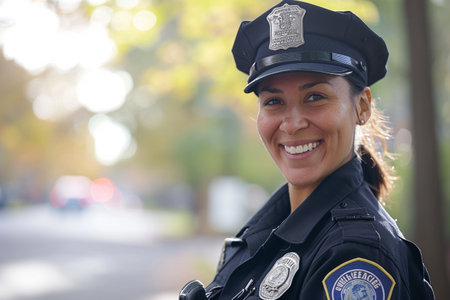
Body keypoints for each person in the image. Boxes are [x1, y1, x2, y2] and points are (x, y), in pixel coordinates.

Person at [179, 1, 435, 299]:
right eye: (274, 102)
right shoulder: (270, 228)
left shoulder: (355, 255)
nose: (292, 124)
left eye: (315, 97)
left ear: (362, 106)